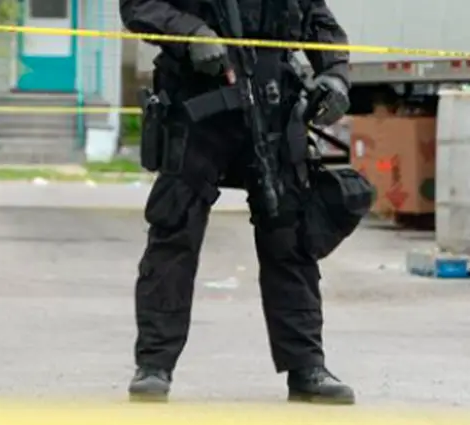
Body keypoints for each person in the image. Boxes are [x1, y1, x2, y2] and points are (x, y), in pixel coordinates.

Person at [121, 0, 356, 404]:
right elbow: (139, 6)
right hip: (198, 101)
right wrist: (190, 33)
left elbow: (318, 20)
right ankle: (155, 364)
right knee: (175, 227)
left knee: (290, 235)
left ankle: (306, 367)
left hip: (272, 102)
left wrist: (335, 74)